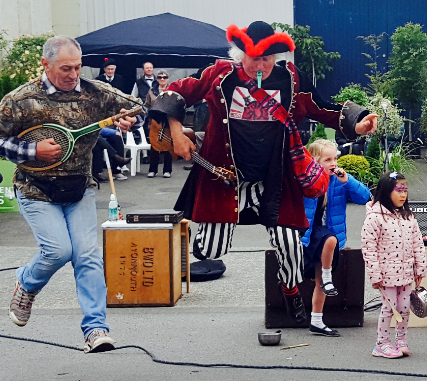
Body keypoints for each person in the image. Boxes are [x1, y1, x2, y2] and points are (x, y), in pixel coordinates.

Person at [147, 20, 378, 326]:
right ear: (240, 54)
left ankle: (291, 290)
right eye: (255, 58)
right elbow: (176, 92)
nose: (261, 65)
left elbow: (322, 107)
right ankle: (197, 239)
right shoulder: (220, 75)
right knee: (209, 251)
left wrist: (358, 123)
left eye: (267, 58)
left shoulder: (290, 78)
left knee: (290, 243)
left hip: (275, 178)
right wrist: (176, 132)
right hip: (226, 176)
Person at [0, 36, 137, 353]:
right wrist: (31, 150)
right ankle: (26, 282)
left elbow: (135, 108)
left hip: (79, 188)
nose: (72, 74)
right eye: (66, 68)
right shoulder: (21, 99)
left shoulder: (96, 93)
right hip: (36, 190)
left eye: (78, 67)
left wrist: (130, 118)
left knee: (87, 256)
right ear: (46, 64)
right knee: (57, 252)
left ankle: (96, 329)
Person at [301, 139, 371, 337]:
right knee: (330, 241)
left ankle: (316, 321)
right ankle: (327, 275)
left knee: (319, 281)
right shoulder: (306, 179)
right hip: (308, 234)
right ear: (315, 161)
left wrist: (348, 181)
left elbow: (365, 197)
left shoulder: (339, 181)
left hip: (327, 239)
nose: (333, 163)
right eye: (327, 159)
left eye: (335, 159)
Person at [360, 172, 426, 359]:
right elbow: (368, 247)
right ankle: (381, 344)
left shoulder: (408, 216)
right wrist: (375, 275)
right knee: (390, 308)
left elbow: (417, 243)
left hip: (405, 273)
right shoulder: (375, 217)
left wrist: (420, 267)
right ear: (386, 191)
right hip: (386, 275)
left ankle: (401, 340)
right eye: (398, 190)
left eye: (405, 190)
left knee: (404, 307)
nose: (403, 194)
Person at [145, 70, 174, 178]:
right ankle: (153, 170)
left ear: (168, 78)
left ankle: (167, 170)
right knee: (154, 145)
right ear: (157, 79)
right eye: (160, 77)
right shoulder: (152, 91)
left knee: (168, 145)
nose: (162, 79)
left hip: (168, 120)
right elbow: (147, 105)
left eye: (165, 77)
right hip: (154, 120)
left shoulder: (172, 90)